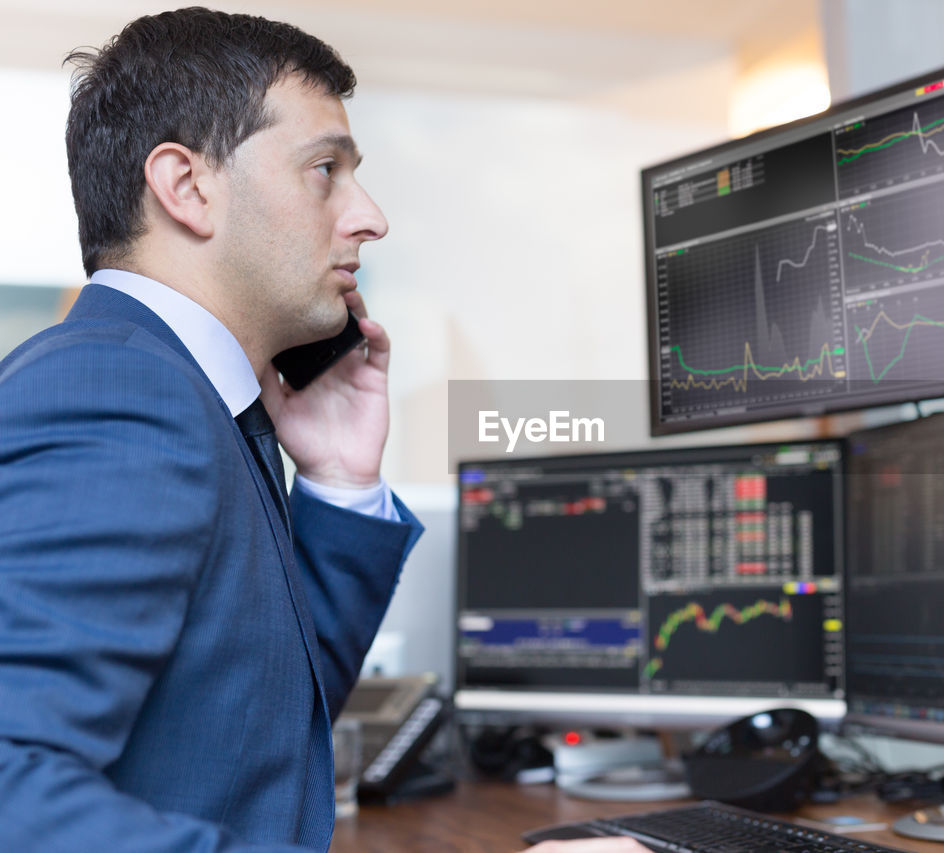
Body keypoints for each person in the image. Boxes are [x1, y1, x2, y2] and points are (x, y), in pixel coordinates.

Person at [0, 8, 642, 852]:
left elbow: (259, 739)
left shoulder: (196, 395)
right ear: (186, 187)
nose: (370, 215)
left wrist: (338, 479)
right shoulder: (121, 391)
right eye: (325, 169)